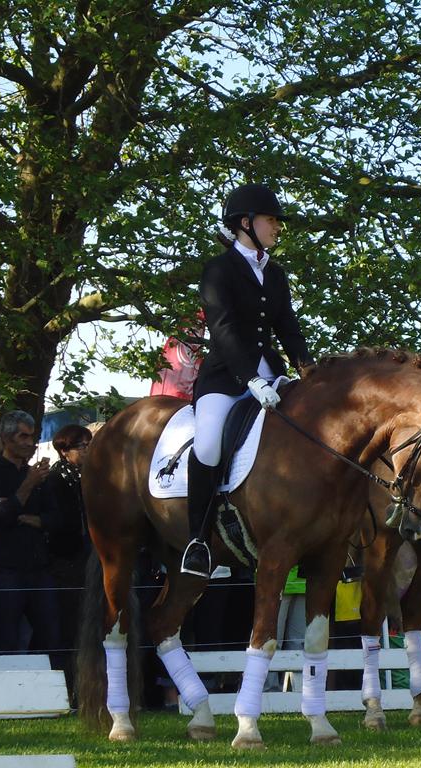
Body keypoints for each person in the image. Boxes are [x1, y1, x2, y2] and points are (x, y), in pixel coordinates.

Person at [181, 183, 313, 577]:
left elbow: (288, 326)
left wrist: (308, 369)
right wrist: (249, 378)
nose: (277, 227)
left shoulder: (276, 274)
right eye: (271, 220)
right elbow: (222, 330)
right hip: (226, 377)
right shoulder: (218, 270)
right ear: (245, 223)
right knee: (208, 444)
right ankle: (198, 541)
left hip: (271, 372)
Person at [0, 411, 63, 669]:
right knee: (7, 638)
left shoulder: (41, 477)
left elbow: (56, 519)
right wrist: (27, 486)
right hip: (6, 569)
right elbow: (1, 517)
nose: (29, 442)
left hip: (39, 567)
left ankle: (53, 686)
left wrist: (26, 516)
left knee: (52, 636)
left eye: (32, 437)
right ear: (6, 438)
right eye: (22, 436)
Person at [46, 424, 92, 676]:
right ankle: (70, 678)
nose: (87, 450)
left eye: (89, 444)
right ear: (65, 451)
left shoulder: (91, 476)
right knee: (70, 621)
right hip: (67, 559)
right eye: (82, 446)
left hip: (90, 555)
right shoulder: (56, 479)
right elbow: (60, 521)